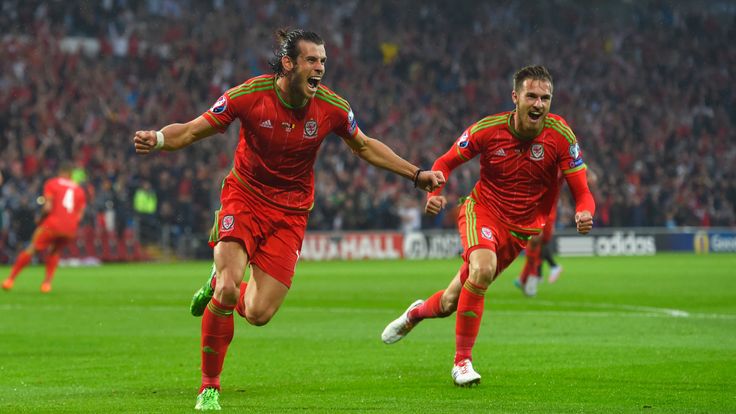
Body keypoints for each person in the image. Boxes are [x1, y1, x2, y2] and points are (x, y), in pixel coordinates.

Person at [132, 29, 445, 411]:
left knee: (259, 314)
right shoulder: (249, 96)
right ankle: (209, 387)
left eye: (324, 61)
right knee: (229, 291)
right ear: (288, 63)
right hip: (244, 198)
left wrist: (417, 175)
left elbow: (364, 145)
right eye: (312, 60)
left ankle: (217, 280)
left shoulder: (332, 107)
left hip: (291, 214)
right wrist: (160, 139)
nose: (320, 68)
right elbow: (195, 129)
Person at [381, 65, 595, 387]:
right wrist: (435, 193)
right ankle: (462, 363)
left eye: (545, 98)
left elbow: (583, 192)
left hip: (519, 231)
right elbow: (445, 162)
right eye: (531, 96)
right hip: (482, 211)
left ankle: (415, 313)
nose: (538, 104)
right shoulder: (488, 129)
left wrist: (584, 212)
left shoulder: (561, 136)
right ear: (515, 97)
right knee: (482, 269)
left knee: (451, 302)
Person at [2, 162, 87, 293]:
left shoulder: (52, 183)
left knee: (32, 249)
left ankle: (10, 280)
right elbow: (79, 216)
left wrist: (40, 219)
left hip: (52, 224)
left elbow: (47, 207)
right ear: (70, 175)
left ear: (61, 173)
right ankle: (46, 284)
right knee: (54, 251)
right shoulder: (79, 190)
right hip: (70, 228)